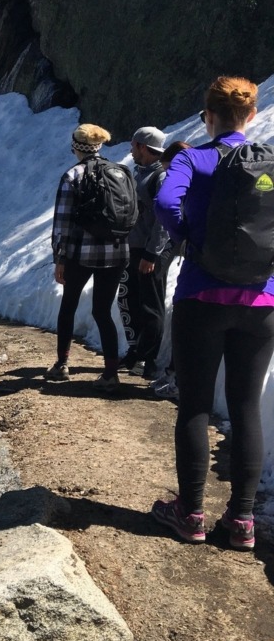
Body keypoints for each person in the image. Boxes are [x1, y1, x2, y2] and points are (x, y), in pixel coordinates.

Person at [151, 76, 273, 551]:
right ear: (252, 116)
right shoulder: (268, 164)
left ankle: (191, 514)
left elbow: (164, 201)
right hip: (262, 302)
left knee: (196, 405)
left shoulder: (195, 157)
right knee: (245, 409)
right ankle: (242, 521)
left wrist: (190, 241)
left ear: (209, 117)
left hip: (201, 297)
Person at [46, 123, 129, 391]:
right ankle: (111, 373)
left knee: (68, 305)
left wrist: (60, 258)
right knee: (102, 311)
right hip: (117, 252)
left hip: (81, 254)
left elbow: (63, 223)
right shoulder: (119, 171)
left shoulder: (73, 176)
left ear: (76, 147)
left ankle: (62, 364)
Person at [117, 126, 172, 381]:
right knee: (133, 301)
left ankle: (148, 359)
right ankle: (137, 350)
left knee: (151, 306)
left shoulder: (159, 177)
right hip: (136, 248)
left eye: (133, 145)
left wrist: (152, 253)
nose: (130, 150)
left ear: (141, 146)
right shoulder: (140, 173)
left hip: (150, 251)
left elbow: (163, 220)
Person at [148, 140, 193, 401]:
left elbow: (166, 207)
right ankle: (174, 373)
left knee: (184, 318)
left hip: (197, 265)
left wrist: (181, 236)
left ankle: (177, 378)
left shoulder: (187, 181)